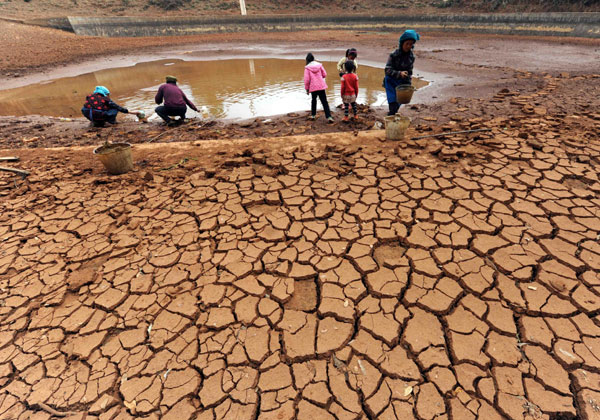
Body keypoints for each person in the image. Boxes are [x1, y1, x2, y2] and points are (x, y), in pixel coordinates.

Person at [384, 29, 420, 116]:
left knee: (400, 100)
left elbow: (410, 72)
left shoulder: (411, 57)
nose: (408, 46)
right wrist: (399, 73)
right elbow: (387, 70)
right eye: (407, 44)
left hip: (402, 82)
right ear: (402, 43)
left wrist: (408, 84)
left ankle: (392, 114)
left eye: (411, 44)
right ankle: (391, 114)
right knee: (392, 100)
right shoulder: (394, 55)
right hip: (391, 80)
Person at [304, 53, 333, 123]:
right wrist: (320, 78)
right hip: (321, 86)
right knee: (324, 102)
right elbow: (324, 74)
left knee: (314, 100)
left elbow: (306, 80)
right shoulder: (319, 65)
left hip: (313, 87)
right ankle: (329, 116)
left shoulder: (307, 68)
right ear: (313, 58)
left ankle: (313, 115)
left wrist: (307, 89)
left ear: (307, 60)